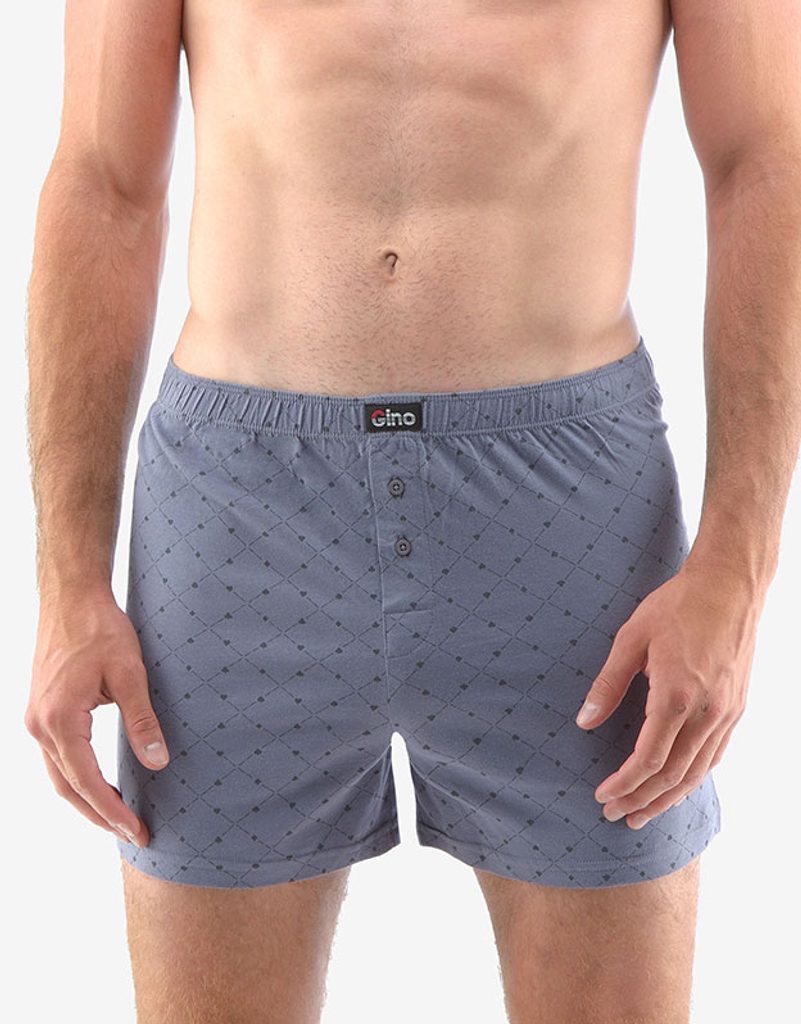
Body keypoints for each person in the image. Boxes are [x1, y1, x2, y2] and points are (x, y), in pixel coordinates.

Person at [23, 2, 801, 1022]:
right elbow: (103, 182)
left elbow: (765, 162)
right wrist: (67, 581)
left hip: (565, 519)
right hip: (239, 517)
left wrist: (738, 569)